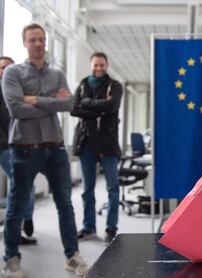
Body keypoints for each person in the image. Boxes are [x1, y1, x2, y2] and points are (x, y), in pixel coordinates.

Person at [1, 23, 88, 277]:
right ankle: (11, 259)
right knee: (17, 205)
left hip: (55, 148)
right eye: (33, 40)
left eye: (41, 39)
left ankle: (72, 255)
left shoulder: (57, 74)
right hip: (24, 149)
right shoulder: (12, 73)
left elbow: (69, 103)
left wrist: (35, 99)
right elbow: (16, 109)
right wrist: (53, 103)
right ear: (25, 43)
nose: (38, 44)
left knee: (65, 205)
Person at [71, 52, 123, 244]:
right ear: (90, 65)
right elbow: (74, 108)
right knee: (87, 188)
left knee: (113, 187)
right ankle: (88, 227)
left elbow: (111, 106)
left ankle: (111, 227)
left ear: (106, 65)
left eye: (102, 65)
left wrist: (87, 105)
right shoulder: (83, 84)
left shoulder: (114, 86)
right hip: (86, 143)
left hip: (107, 142)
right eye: (95, 65)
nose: (99, 68)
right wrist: (98, 109)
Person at [0, 56, 37, 246]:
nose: (4, 71)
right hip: (5, 145)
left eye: (8, 68)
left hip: (21, 143)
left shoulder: (16, 90)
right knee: (22, 185)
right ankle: (17, 228)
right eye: (2, 68)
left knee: (27, 184)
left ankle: (24, 221)